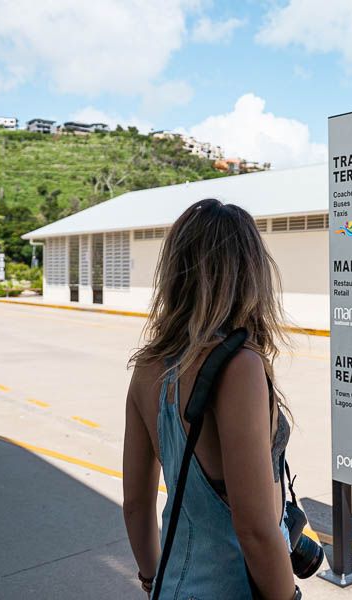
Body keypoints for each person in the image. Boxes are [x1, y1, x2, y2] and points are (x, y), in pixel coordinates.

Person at [123, 198, 299, 599]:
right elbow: (254, 529)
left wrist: (153, 579)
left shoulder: (147, 367)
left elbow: (135, 502)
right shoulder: (240, 366)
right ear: (251, 272)